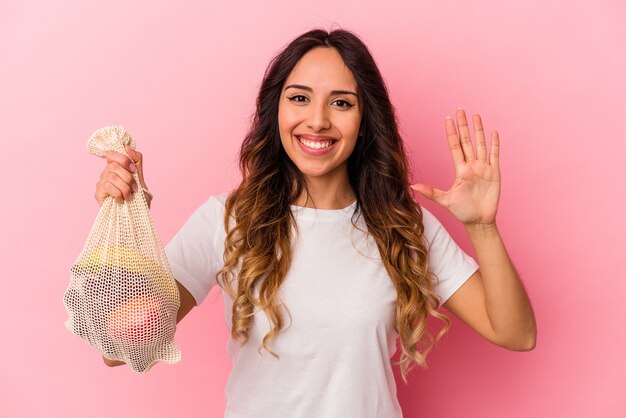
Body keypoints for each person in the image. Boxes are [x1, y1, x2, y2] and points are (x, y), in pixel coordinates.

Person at [94, 29, 536, 417]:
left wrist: (481, 226)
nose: (318, 120)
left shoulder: (403, 225)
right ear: (277, 110)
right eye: (299, 97)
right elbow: (122, 348)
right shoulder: (227, 218)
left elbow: (515, 333)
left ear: (365, 121)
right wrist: (128, 220)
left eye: (341, 102)